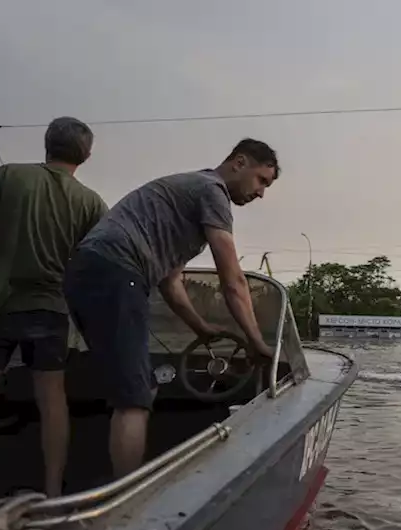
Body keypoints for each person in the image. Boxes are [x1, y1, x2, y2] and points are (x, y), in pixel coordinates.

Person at [64, 138, 278, 479]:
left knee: (141, 385)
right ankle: (127, 501)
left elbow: (170, 283)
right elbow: (233, 281)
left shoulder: (186, 195)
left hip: (91, 273)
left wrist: (201, 329)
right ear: (239, 162)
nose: (262, 193)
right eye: (261, 180)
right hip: (116, 273)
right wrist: (256, 342)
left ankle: (121, 478)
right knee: (133, 398)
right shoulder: (213, 192)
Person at [0, 117, 108, 500]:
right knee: (52, 399)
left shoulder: (7, 176)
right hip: (50, 309)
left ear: (46, 144)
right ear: (86, 156)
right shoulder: (91, 202)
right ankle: (53, 492)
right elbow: (95, 263)